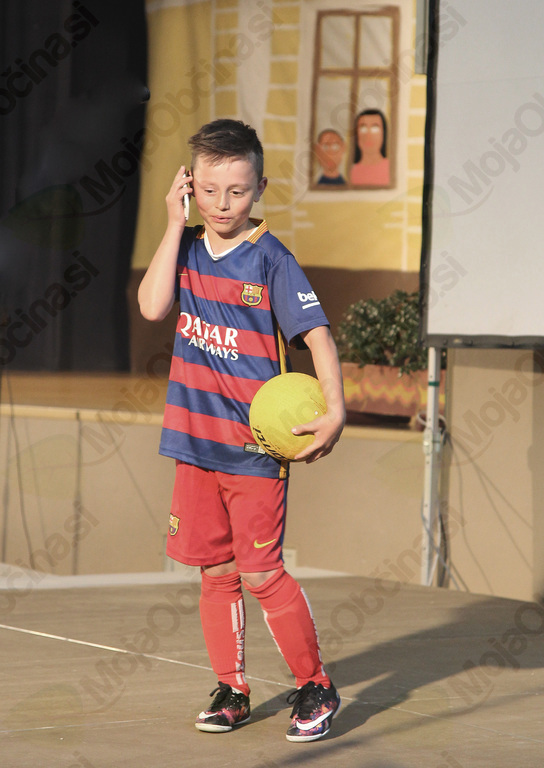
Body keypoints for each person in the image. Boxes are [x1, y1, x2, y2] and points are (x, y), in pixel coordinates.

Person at [138, 118, 346, 743]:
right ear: (189, 187)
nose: (222, 204)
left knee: (260, 573)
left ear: (259, 188)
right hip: (194, 446)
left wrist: (335, 409)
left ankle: (315, 684)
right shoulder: (186, 248)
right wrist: (172, 223)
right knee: (216, 572)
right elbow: (152, 305)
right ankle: (233, 689)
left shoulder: (271, 258)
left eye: (237, 191)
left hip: (253, 452)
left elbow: (317, 336)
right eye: (207, 190)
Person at [350, 108, 390, 186]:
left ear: (383, 134)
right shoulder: (350, 172)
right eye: (363, 128)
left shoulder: (391, 169)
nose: (368, 135)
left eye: (375, 129)